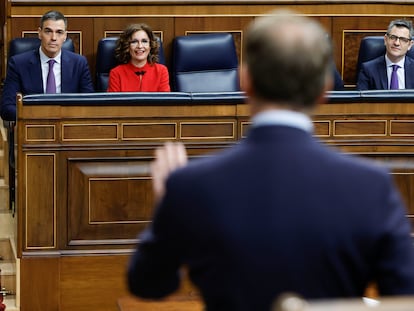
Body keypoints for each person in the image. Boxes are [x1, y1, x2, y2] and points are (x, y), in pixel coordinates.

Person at [127, 10, 414, 311]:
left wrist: (165, 211)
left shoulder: (192, 184)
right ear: (324, 89)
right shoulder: (371, 186)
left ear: (245, 79)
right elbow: (405, 298)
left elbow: (149, 284)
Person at [1, 10, 94, 121]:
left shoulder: (79, 63)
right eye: (48, 31)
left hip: (68, 127)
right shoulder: (18, 64)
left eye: (59, 32)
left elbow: (89, 104)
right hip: (32, 127)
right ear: (39, 33)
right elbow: (7, 108)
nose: (53, 38)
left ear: (65, 36)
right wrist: (39, 118)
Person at [107, 23, 170, 92]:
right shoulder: (116, 73)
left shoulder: (161, 71)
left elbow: (164, 101)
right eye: (134, 42)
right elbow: (114, 102)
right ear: (127, 46)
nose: (140, 46)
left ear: (150, 46)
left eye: (144, 41)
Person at [357, 19, 414, 90]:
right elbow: (362, 100)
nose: (396, 43)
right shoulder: (368, 70)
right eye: (393, 37)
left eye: (403, 39)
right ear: (385, 39)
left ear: (410, 45)